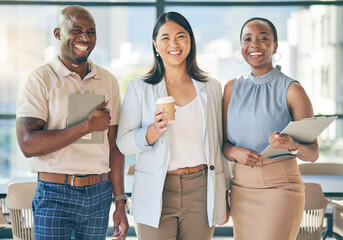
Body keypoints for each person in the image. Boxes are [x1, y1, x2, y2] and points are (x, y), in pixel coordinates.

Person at [16, 5, 128, 240]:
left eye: (91, 32)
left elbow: (114, 147)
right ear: (58, 34)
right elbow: (28, 144)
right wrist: (87, 126)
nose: (85, 38)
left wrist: (119, 201)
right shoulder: (40, 79)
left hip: (99, 195)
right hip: (55, 194)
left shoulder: (108, 80)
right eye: (76, 30)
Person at [116, 11, 231, 240]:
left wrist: (225, 192)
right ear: (155, 45)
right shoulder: (140, 87)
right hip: (156, 188)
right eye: (165, 38)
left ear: (190, 41)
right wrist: (151, 132)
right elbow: (123, 143)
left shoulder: (212, 87)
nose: (174, 44)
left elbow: (220, 144)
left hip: (201, 188)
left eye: (181, 36)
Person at [223, 17, 319, 240]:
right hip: (241, 189)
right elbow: (224, 144)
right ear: (241, 46)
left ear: (275, 46)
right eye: (248, 39)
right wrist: (235, 152)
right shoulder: (231, 88)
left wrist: (292, 144)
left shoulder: (292, 89)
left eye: (263, 38)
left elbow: (313, 153)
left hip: (281, 189)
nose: (254, 45)